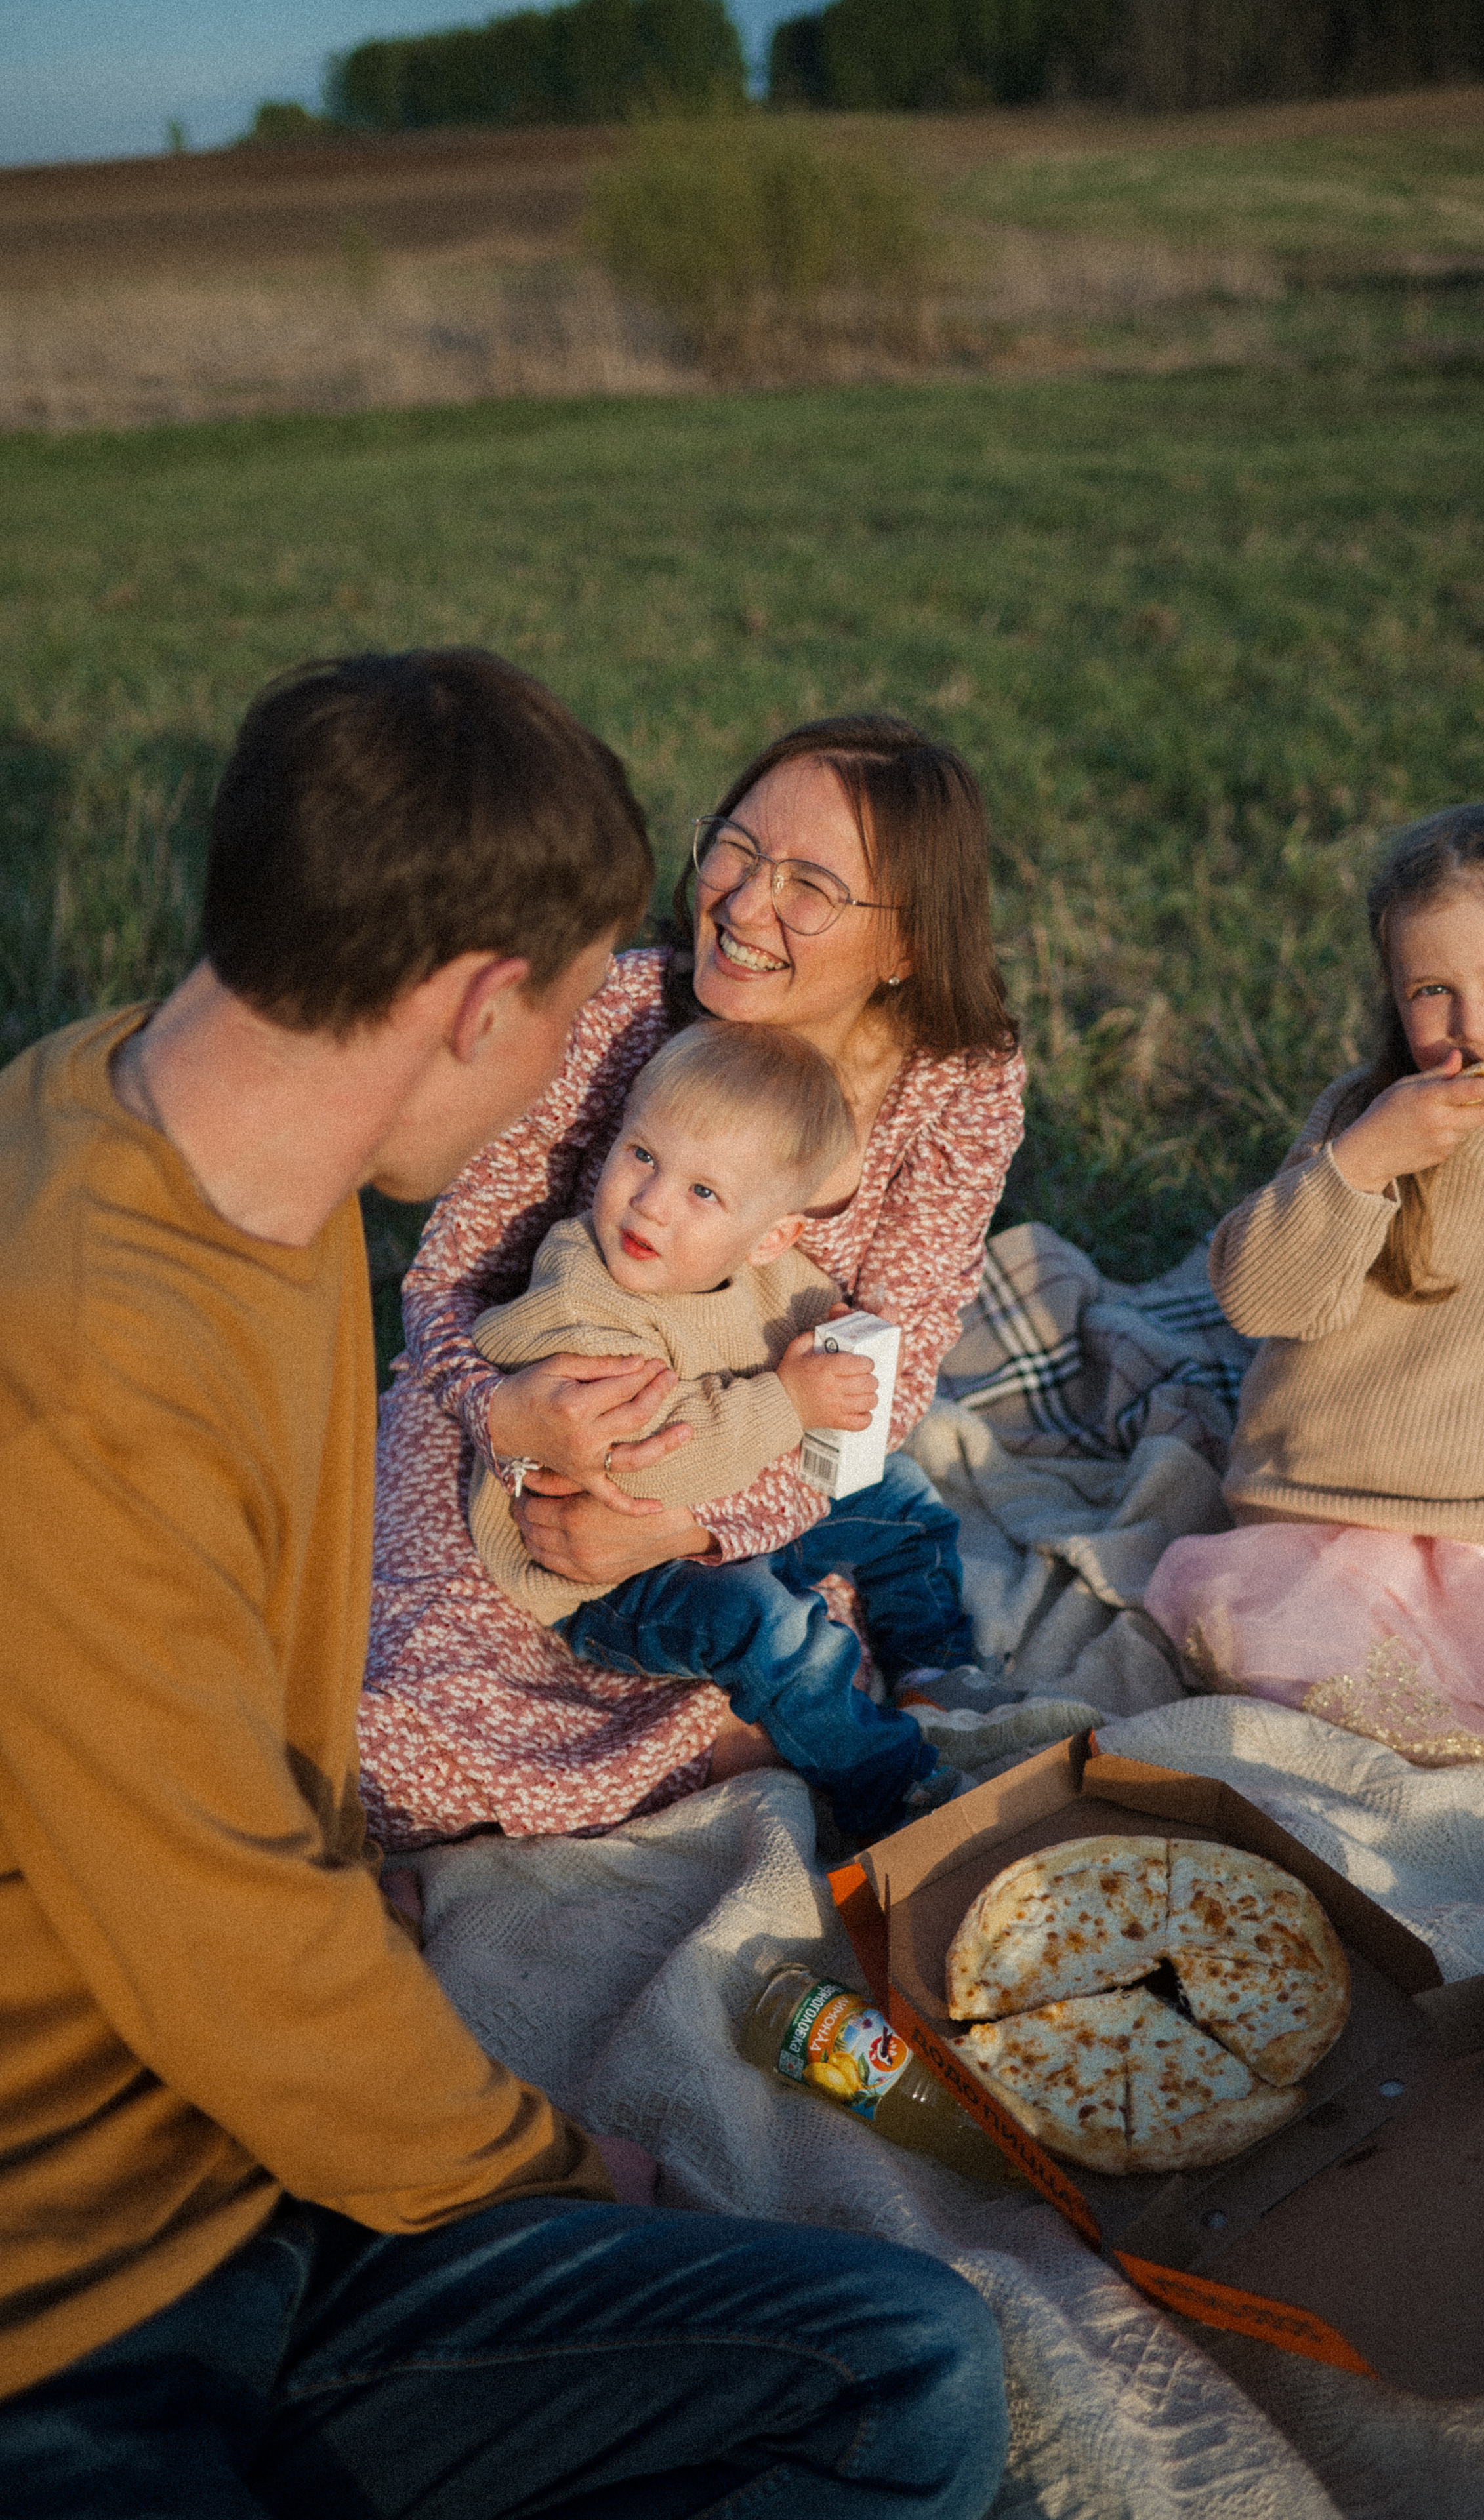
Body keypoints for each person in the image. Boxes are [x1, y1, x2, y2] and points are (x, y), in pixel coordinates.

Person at [0, 650, 1010, 2517]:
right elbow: (232, 1947)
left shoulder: (176, 1139)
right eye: (569, 1026)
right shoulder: (83, 1376)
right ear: (483, 1004)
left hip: (260, 2182)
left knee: (913, 2362)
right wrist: (533, 2169)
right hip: (80, 2296)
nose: (584, 1073)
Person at [361, 713, 1025, 1848]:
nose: (745, 902)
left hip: (764, 1454)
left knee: (827, 1591)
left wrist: (696, 1525)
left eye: (809, 885)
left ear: (905, 946)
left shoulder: (959, 1084)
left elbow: (889, 1379)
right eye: (736, 847)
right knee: (410, 1712)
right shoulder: (617, 1013)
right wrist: (505, 1414)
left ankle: (887, 1695)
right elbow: (442, 1289)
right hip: (520, 1417)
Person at [1145, 798, 1484, 1804]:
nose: (1475, 1027)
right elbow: (1259, 1300)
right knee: (1331, 1714)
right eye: (1433, 990)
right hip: (1330, 1530)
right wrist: (1360, 1166)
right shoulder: (1371, 1124)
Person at [468, 1020, 978, 1833]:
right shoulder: (581, 1296)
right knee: (764, 1622)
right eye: (642, 1155)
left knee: (904, 1499)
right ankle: (890, 1785)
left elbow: (798, 1309)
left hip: (716, 1513)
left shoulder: (762, 1269)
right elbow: (641, 1463)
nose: (651, 1202)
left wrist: (833, 1333)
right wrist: (790, 1401)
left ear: (769, 1235)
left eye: (704, 1193)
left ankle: (942, 1672)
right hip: (607, 1578)